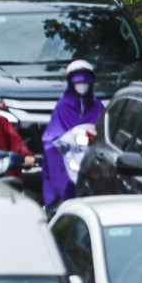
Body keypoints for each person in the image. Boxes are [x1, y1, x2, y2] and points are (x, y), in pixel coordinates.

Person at [42, 59, 103, 209]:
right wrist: (63, 142)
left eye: (85, 83)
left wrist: (93, 139)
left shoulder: (97, 106)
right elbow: (51, 136)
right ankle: (60, 201)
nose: (82, 87)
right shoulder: (62, 106)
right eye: (77, 83)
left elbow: (104, 129)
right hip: (68, 155)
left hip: (91, 154)